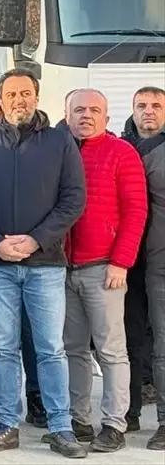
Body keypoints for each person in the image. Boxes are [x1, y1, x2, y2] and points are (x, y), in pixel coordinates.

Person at [0, 69, 87, 458]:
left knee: (50, 348)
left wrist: (36, 239)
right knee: (2, 348)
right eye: (12, 94)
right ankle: (6, 425)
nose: (19, 99)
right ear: (1, 100)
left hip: (45, 263)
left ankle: (61, 427)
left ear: (36, 96)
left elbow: (73, 198)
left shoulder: (60, 141)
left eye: (26, 93)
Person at [61, 89, 147, 452]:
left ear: (106, 117)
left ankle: (114, 423)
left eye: (94, 110)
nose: (86, 115)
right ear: (66, 115)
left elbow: (136, 211)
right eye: (79, 109)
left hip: (104, 268)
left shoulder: (121, 152)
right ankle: (79, 420)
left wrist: (121, 261)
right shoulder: (59, 152)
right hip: (62, 269)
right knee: (73, 349)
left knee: (111, 350)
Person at [126, 87, 165, 450]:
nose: (148, 111)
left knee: (163, 342)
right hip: (125, 261)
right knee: (127, 340)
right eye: (142, 105)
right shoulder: (121, 146)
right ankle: (129, 411)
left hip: (160, 260)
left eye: (156, 105)